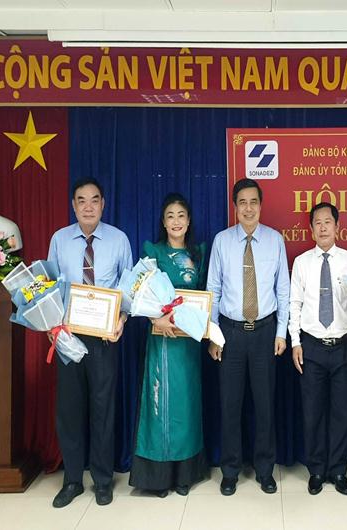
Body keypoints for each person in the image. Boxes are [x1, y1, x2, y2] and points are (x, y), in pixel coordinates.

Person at [47, 178, 132, 508]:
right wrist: (52, 324)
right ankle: (72, 480)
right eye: (81, 200)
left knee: (102, 409)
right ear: (73, 205)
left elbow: (129, 286)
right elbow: (50, 287)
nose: (88, 206)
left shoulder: (118, 239)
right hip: (68, 336)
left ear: (103, 204)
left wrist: (122, 319)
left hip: (104, 338)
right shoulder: (59, 240)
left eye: (94, 200)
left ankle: (102, 480)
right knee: (69, 411)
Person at [206, 178, 290, 496]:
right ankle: (230, 470)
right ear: (235, 207)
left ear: (261, 204)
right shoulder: (222, 241)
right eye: (242, 202)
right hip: (230, 333)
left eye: (254, 201)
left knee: (265, 405)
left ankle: (265, 469)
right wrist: (214, 335)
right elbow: (213, 289)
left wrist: (281, 333)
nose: (248, 208)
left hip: (265, 332)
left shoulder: (275, 240)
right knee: (230, 405)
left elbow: (283, 290)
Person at [129, 193, 210, 497]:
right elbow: (138, 292)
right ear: (163, 222)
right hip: (162, 338)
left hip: (188, 341)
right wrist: (155, 320)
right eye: (170, 216)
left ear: (189, 221)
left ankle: (185, 474)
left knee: (186, 403)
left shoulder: (198, 254)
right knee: (161, 404)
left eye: (181, 216)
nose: (176, 221)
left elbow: (206, 295)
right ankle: (159, 477)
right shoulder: (153, 252)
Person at [288, 202, 347, 496]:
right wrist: (295, 342)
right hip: (311, 345)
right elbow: (294, 304)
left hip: (344, 345)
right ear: (311, 229)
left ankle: (338, 470)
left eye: (327, 222)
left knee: (342, 412)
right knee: (312, 413)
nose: (322, 228)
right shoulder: (301, 263)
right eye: (317, 223)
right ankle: (317, 470)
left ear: (337, 227)